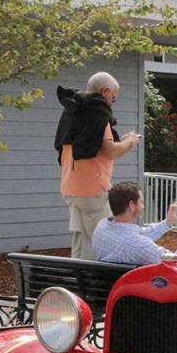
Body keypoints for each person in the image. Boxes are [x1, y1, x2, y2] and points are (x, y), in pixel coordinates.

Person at [54, 72, 140, 260]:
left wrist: (121, 140)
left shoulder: (74, 109)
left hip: (70, 187)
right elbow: (109, 151)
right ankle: (96, 285)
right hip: (92, 190)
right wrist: (130, 142)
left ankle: (76, 283)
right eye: (113, 98)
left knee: (81, 240)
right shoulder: (98, 112)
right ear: (105, 91)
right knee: (102, 241)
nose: (112, 103)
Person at [92, 181, 177, 265]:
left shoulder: (101, 227)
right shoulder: (137, 246)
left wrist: (167, 223)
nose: (144, 206)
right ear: (132, 206)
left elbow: (138, 234)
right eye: (141, 202)